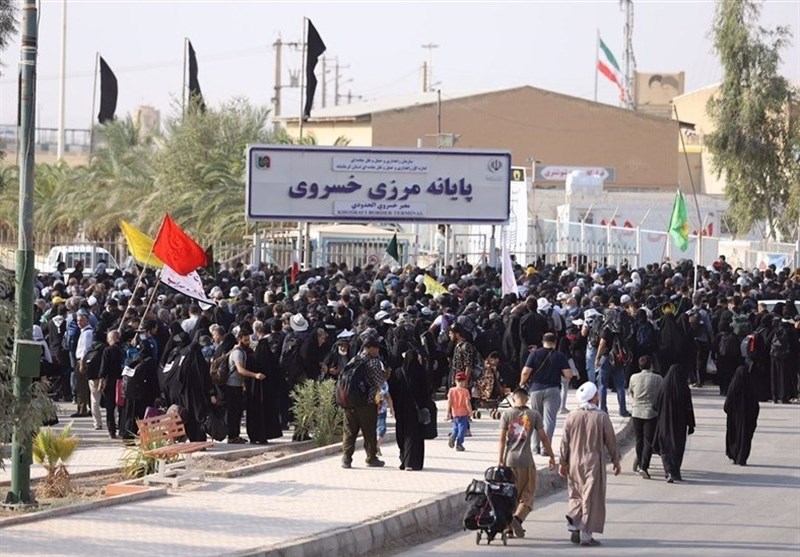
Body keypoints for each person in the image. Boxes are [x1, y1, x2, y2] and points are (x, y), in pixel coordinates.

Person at [558, 382, 621, 547]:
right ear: (593, 397)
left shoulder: (571, 416)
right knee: (591, 497)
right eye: (597, 395)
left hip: (574, 461)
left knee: (575, 494)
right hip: (593, 462)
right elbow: (611, 440)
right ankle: (586, 535)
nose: (598, 397)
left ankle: (574, 522)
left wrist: (562, 462)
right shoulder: (601, 417)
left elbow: (564, 442)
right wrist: (615, 460)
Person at [498, 387, 555, 539]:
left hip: (509, 459)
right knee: (528, 493)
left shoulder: (506, 414)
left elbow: (502, 440)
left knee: (510, 494)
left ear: (513, 399)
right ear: (527, 399)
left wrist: (500, 460)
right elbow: (543, 438)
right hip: (526, 460)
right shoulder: (533, 414)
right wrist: (551, 456)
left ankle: (508, 528)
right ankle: (518, 518)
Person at [519, 332, 573, 455]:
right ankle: (545, 448)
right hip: (553, 390)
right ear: (555, 342)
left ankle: (535, 447)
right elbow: (568, 374)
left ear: (543, 342)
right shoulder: (560, 356)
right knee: (549, 420)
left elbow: (525, 372)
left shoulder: (534, 354)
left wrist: (522, 383)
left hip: (536, 390)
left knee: (535, 418)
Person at [341, 339, 386, 469]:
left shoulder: (354, 359)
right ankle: (371, 458)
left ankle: (346, 458)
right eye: (376, 348)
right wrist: (385, 375)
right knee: (369, 431)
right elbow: (378, 381)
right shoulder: (373, 362)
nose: (378, 350)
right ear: (369, 348)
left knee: (349, 431)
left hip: (349, 402)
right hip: (367, 403)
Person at [389, 347, 432, 471]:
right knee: (415, 436)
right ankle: (414, 462)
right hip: (416, 411)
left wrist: (394, 406)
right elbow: (426, 391)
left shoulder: (398, 373)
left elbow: (392, 391)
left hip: (401, 410)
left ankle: (404, 460)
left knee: (403, 434)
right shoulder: (421, 372)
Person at [653, 364, 696, 483]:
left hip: (664, 423)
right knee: (678, 447)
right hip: (680, 424)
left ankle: (668, 471)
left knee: (665, 447)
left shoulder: (663, 388)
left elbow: (655, 405)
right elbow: (689, 408)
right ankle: (676, 472)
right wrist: (691, 424)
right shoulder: (684, 389)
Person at [227, 323, 265, 444]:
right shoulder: (237, 352)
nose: (248, 342)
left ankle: (235, 435)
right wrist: (255, 375)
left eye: (248, 339)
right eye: (245, 340)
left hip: (237, 385)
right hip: (232, 386)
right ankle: (232, 436)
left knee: (237, 412)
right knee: (234, 412)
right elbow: (240, 370)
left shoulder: (243, 351)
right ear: (239, 339)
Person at [627, 355, 663, 479]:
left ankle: (639, 463)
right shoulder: (658, 378)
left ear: (639, 366)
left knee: (639, 439)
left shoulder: (633, 377)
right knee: (648, 441)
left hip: (636, 412)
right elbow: (661, 394)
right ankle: (644, 466)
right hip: (650, 412)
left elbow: (631, 392)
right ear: (651, 365)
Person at [724, 365, 760, 466]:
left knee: (734, 436)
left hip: (734, 419)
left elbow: (727, 405)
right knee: (745, 438)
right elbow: (756, 406)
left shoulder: (733, 387)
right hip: (748, 420)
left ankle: (734, 455)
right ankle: (742, 457)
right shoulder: (751, 389)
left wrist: (731, 414)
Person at [98, 330, 125, 439]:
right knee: (122, 406)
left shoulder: (108, 351)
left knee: (110, 407)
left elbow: (104, 367)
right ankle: (122, 429)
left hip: (111, 381)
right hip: (123, 381)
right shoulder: (124, 350)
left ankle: (112, 430)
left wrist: (101, 380)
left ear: (112, 338)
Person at [446, 371, 472, 452]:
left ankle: (453, 435)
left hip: (455, 413)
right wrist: (470, 411)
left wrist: (448, 412)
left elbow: (449, 402)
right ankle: (459, 444)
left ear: (455, 381)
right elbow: (467, 402)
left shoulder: (451, 390)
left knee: (456, 428)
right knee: (462, 430)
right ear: (465, 382)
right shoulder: (465, 391)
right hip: (463, 414)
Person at [375, 369, 394, 457]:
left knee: (381, 429)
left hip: (379, 410)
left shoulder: (383, 384)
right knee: (380, 429)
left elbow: (388, 396)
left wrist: (391, 408)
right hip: (376, 410)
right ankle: (375, 447)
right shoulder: (381, 384)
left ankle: (376, 446)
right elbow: (388, 396)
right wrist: (391, 409)